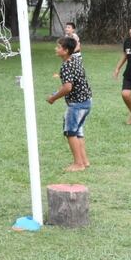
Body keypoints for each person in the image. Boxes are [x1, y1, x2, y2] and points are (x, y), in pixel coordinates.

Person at [46, 37, 91, 171]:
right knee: (78, 132)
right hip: (86, 101)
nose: (56, 49)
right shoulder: (76, 59)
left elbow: (67, 88)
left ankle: (78, 164)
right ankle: (84, 161)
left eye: (59, 47)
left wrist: (53, 98)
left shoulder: (66, 66)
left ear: (65, 51)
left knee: (70, 132)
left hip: (76, 104)